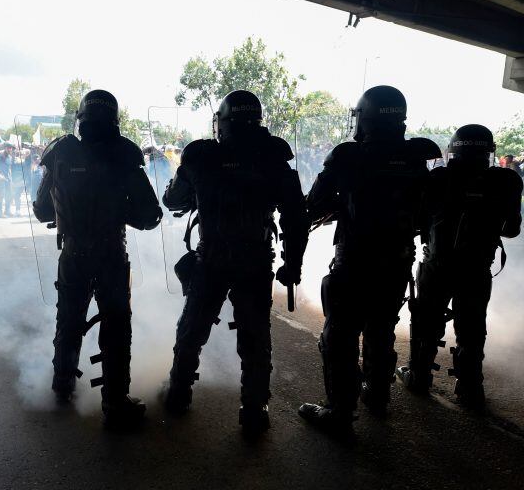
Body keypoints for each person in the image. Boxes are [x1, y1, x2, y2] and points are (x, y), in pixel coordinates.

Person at [161, 90, 309, 433]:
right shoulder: (274, 156)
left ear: (222, 122)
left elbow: (172, 200)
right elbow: (295, 217)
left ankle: (178, 395)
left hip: (211, 259)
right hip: (255, 260)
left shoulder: (200, 155)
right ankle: (255, 411)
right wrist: (293, 264)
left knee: (192, 330)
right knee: (256, 338)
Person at [298, 85, 441, 434]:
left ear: (366, 117)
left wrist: (338, 207)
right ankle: (377, 395)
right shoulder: (417, 158)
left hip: (354, 264)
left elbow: (312, 205)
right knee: (381, 328)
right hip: (396, 263)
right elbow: (426, 215)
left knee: (340, 337)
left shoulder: (348, 156)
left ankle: (340, 414)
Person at [33, 90, 162, 428]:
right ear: (114, 120)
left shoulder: (60, 152)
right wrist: (120, 212)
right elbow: (151, 215)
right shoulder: (125, 154)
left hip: (73, 253)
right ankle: (116, 403)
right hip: (110, 255)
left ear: (81, 119)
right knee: (117, 327)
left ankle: (62, 387)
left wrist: (68, 216)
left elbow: (41, 209)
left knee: (69, 321)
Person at [396, 125, 522, 409]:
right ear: (489, 152)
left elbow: (416, 221)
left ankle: (419, 375)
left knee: (427, 321)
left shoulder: (437, 178)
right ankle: (470, 388)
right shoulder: (507, 181)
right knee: (473, 326)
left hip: (436, 265)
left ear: (455, 149)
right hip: (477, 267)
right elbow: (512, 230)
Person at [0, 142, 15, 217]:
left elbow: (9, 168)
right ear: (5, 148)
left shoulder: (10, 157)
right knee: (2, 195)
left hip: (8, 178)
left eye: (11, 148)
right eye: (8, 148)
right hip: (1, 178)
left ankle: (7, 211)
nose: (10, 149)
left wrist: (11, 178)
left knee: (9, 195)